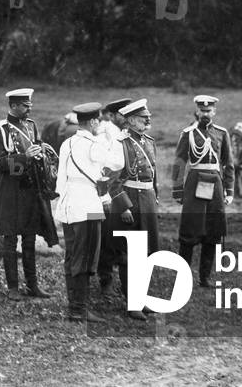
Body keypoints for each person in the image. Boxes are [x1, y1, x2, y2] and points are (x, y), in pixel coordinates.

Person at [54, 102, 124, 322]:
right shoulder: (95, 143)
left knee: (71, 255)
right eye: (98, 121)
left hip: (67, 206)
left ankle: (74, 305)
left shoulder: (67, 143)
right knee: (87, 256)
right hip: (90, 206)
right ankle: (79, 310)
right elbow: (117, 162)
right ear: (93, 122)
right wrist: (114, 140)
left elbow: (59, 183)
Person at [0, 88, 59, 301]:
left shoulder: (31, 126)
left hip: (31, 191)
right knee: (10, 240)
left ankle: (33, 286)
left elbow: (36, 152)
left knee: (29, 239)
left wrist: (42, 154)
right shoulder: (0, 130)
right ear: (13, 106)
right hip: (11, 192)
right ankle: (13, 288)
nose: (30, 108)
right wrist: (24, 157)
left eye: (30, 105)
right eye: (25, 105)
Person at [102, 98, 159, 321]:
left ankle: (141, 299)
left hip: (147, 201)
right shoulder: (119, 143)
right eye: (144, 118)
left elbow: (153, 175)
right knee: (130, 255)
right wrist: (123, 206)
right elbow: (111, 179)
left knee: (145, 254)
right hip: (130, 202)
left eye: (148, 117)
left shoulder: (149, 141)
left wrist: (155, 199)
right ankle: (131, 303)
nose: (148, 121)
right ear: (132, 121)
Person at [171, 95, 234, 288]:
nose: (205, 113)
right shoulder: (188, 133)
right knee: (190, 232)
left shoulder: (222, 133)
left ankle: (205, 277)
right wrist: (178, 190)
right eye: (202, 110)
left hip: (215, 185)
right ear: (196, 111)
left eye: (209, 111)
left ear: (214, 112)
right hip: (195, 184)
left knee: (214, 232)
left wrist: (229, 190)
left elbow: (228, 163)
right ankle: (183, 277)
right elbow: (179, 163)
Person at [96, 97, 132, 297]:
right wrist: (105, 196)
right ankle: (106, 279)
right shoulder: (105, 135)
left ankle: (122, 280)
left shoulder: (123, 133)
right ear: (112, 115)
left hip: (125, 192)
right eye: (123, 114)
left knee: (121, 237)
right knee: (108, 239)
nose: (126, 118)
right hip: (110, 194)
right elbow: (102, 170)